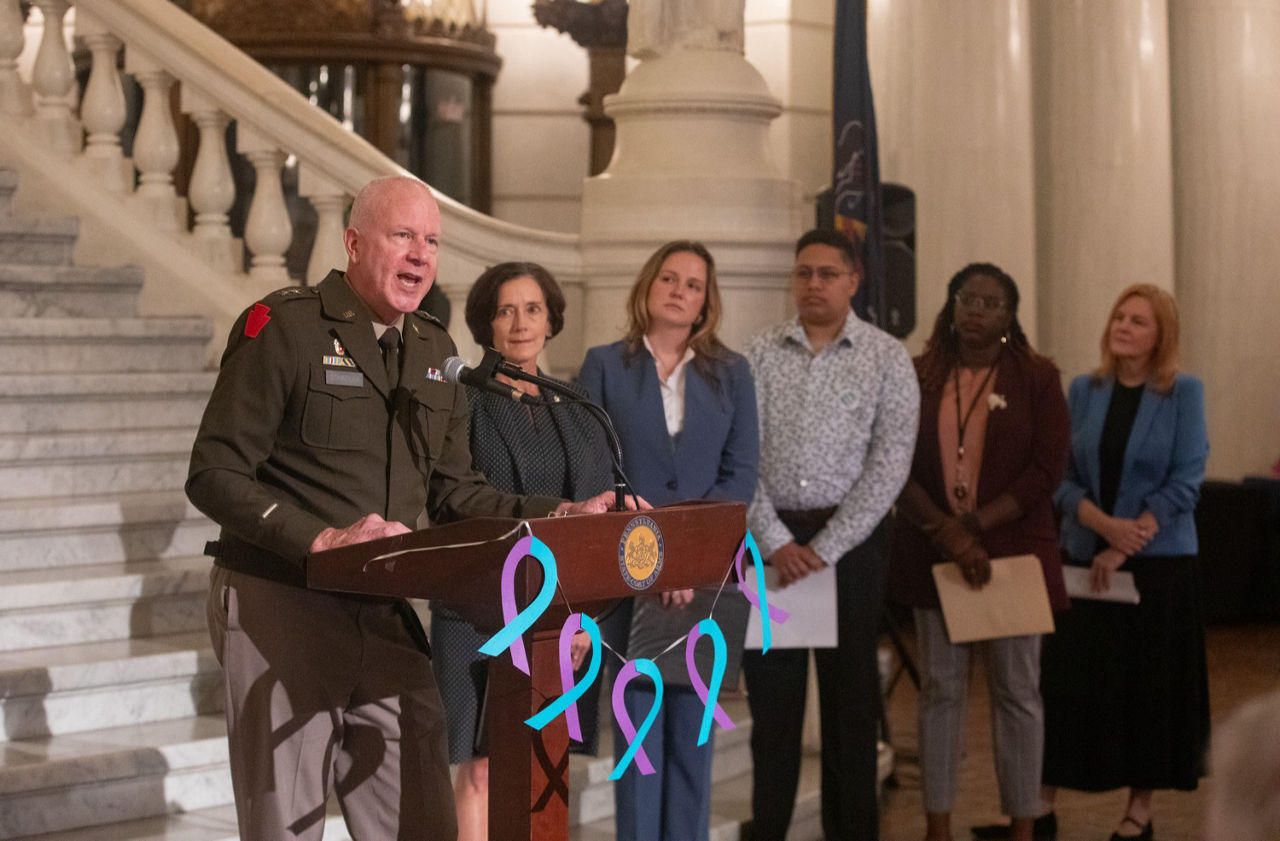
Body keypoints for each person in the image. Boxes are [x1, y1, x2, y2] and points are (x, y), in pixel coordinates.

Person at [186, 176, 619, 841]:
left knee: (420, 819)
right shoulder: (284, 327)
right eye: (402, 236)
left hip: (384, 612)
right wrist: (321, 538)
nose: (420, 255)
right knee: (286, 825)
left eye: (433, 242)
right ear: (353, 241)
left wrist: (554, 515)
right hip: (282, 600)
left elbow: (456, 493)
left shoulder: (434, 351)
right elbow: (213, 472)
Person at [578, 240, 758, 841]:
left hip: (707, 579)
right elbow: (593, 469)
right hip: (629, 573)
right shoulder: (604, 365)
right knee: (638, 740)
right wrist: (654, 564)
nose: (680, 290)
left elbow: (741, 477)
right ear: (648, 286)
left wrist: (686, 561)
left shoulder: (732, 373)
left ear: (707, 302)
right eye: (670, 278)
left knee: (693, 736)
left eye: (695, 284)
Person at [742, 229, 919, 841]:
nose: (813, 283)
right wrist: (775, 541)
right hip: (771, 546)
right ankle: (769, 830)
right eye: (803, 273)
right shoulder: (758, 353)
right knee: (774, 712)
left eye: (826, 273)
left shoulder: (887, 357)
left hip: (853, 545)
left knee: (851, 709)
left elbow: (890, 464)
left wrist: (825, 549)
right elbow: (741, 458)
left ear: (853, 281)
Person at [431, 261, 613, 841]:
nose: (519, 322)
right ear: (486, 322)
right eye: (505, 310)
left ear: (551, 320)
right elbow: (460, 499)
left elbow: (597, 513)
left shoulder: (579, 406)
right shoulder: (465, 399)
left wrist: (587, 616)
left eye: (532, 309)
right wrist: (554, 510)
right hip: (477, 608)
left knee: (544, 765)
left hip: (557, 616)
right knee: (482, 771)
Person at [889, 263, 1069, 841]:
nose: (977, 310)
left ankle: (1022, 824)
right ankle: (937, 826)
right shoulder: (917, 375)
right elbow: (894, 463)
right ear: (951, 305)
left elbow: (1048, 469)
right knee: (941, 690)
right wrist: (949, 533)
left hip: (1011, 555)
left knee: (1018, 692)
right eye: (968, 298)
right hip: (934, 550)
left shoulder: (1037, 378)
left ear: (1010, 316)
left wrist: (976, 526)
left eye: (992, 303)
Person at [1034, 284, 1210, 841]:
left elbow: (1186, 479)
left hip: (1158, 564)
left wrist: (1124, 541)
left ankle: (1139, 811)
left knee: (1148, 687)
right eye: (1118, 316)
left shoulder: (1184, 393)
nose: (1123, 326)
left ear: (1161, 336)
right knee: (1064, 683)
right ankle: (1039, 806)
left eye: (1138, 320)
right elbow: (1061, 476)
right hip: (1084, 555)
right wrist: (1099, 525)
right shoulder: (1085, 389)